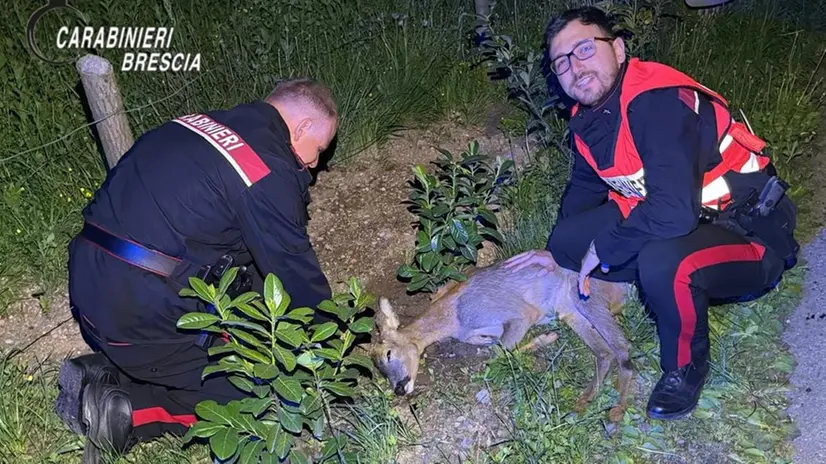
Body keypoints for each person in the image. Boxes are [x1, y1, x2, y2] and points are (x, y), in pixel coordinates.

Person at [505, 6, 799, 421]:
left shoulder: (657, 102)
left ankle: (684, 369)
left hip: (746, 230)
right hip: (686, 218)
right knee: (569, 242)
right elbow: (585, 187)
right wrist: (556, 252)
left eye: (585, 49)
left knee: (661, 261)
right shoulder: (588, 117)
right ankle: (656, 282)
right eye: (561, 62)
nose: (575, 67)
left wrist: (606, 247)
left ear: (618, 49)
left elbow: (673, 212)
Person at [55, 77, 339, 462]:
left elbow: (243, 259)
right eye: (318, 149)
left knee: (223, 330)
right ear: (302, 128)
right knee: (260, 394)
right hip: (133, 308)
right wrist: (331, 339)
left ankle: (104, 370)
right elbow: (293, 271)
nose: (315, 164)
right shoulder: (264, 168)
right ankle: (127, 411)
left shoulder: (193, 123)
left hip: (89, 282)